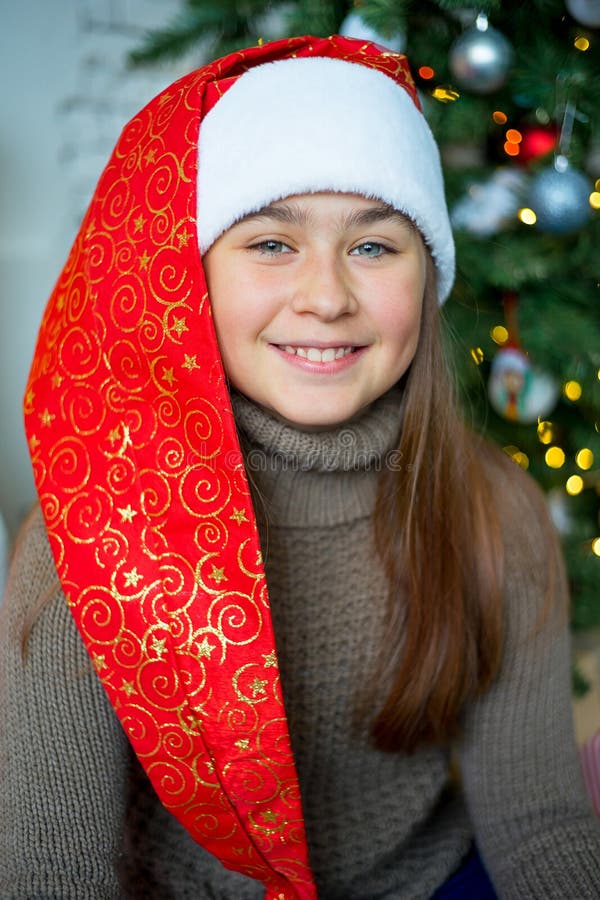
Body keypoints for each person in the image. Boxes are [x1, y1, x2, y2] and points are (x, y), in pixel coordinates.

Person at [0, 33, 598, 900]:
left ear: (426, 276)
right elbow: (51, 870)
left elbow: (540, 825)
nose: (325, 296)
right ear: (193, 277)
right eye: (272, 244)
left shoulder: (490, 512)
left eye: (373, 246)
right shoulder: (90, 531)